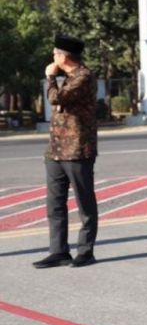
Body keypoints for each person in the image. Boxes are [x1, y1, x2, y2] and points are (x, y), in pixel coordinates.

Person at [33, 34, 99, 269]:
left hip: (78, 149)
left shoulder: (83, 77)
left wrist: (50, 76)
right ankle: (59, 251)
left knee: (84, 203)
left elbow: (56, 98)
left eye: (54, 54)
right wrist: (56, 76)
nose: (52, 58)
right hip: (56, 150)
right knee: (55, 204)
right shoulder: (69, 76)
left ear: (64, 56)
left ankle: (85, 251)